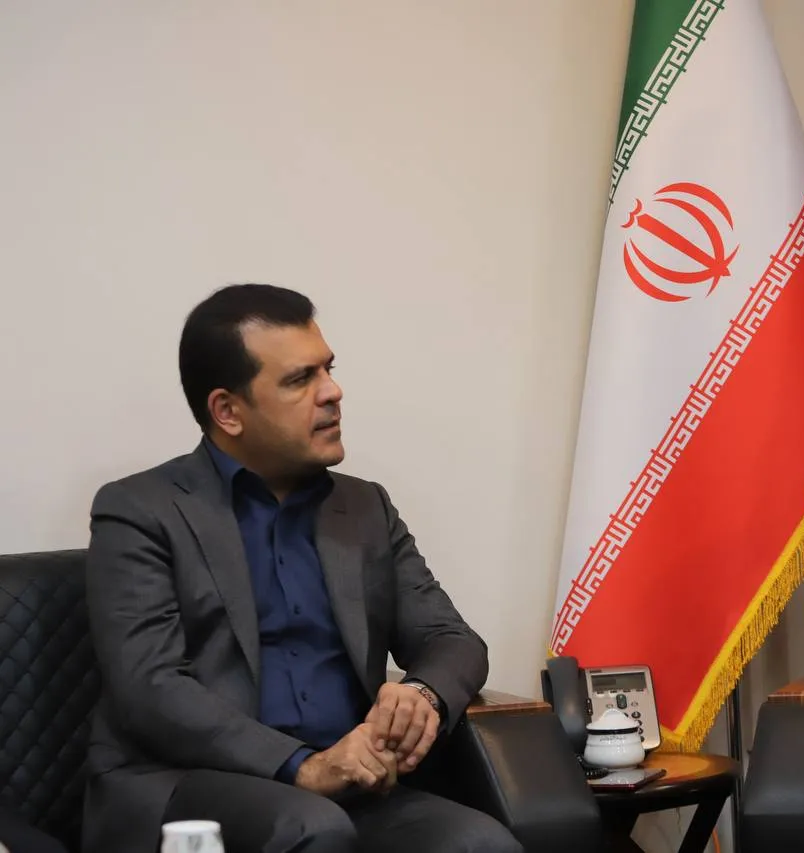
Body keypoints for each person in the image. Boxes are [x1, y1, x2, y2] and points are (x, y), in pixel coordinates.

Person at [82, 284, 522, 853]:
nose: (333, 392)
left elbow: (451, 638)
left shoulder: (364, 507)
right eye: (299, 380)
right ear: (227, 411)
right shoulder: (139, 510)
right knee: (311, 827)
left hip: (350, 782)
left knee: (480, 844)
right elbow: (151, 689)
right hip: (187, 782)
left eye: (328, 369)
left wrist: (422, 693)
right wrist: (301, 766)